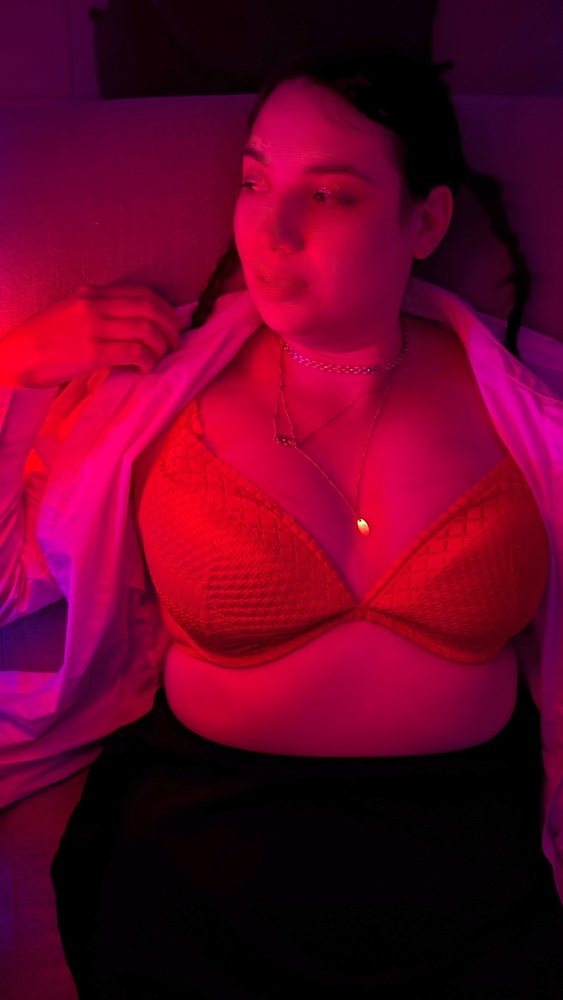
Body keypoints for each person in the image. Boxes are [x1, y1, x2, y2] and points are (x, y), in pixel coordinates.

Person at [0, 45, 562, 999]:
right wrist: (12, 364)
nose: (271, 229)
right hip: (205, 845)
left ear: (424, 221)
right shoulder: (150, 394)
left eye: (329, 195)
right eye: (254, 181)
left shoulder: (526, 405)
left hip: (470, 854)